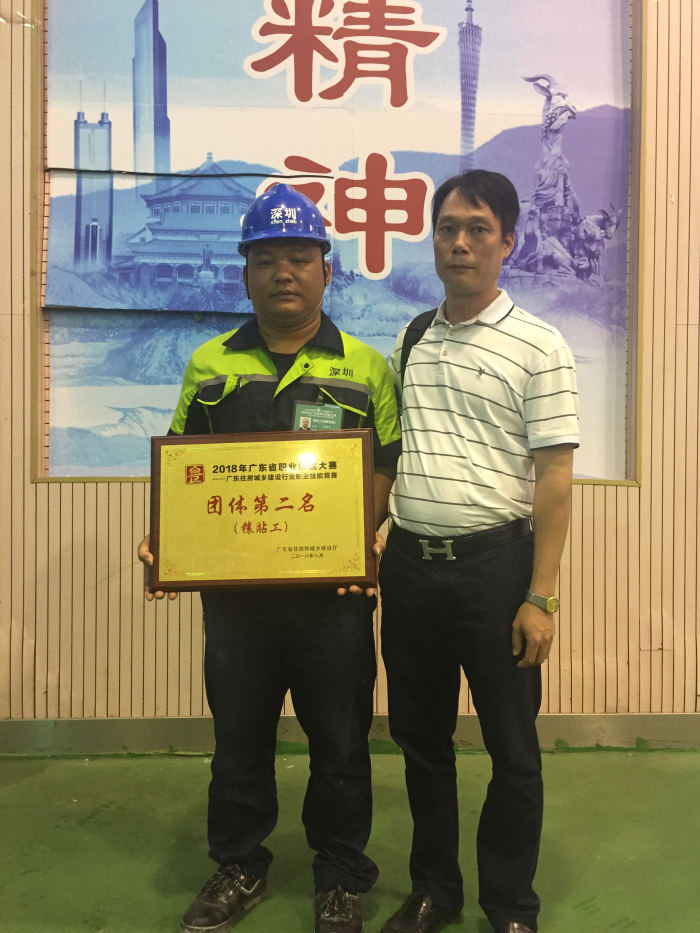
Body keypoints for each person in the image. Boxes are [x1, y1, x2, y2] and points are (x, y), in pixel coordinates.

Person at [137, 184, 401, 933]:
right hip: (239, 601)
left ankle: (340, 874)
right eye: (266, 260)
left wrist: (364, 537)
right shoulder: (209, 364)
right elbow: (184, 465)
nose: (284, 272)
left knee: (341, 741)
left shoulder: (366, 367)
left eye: (299, 258)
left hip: (334, 598)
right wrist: (166, 539)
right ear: (245, 273)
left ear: (326, 270)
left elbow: (386, 464)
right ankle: (239, 865)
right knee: (238, 738)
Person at [377, 170, 579, 933]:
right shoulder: (410, 339)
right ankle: (435, 888)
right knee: (421, 741)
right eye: (447, 228)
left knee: (512, 748)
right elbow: (394, 455)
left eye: (478, 229)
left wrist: (541, 593)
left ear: (508, 243)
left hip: (497, 573)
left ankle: (510, 903)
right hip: (409, 570)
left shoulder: (540, 345)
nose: (459, 243)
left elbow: (554, 477)